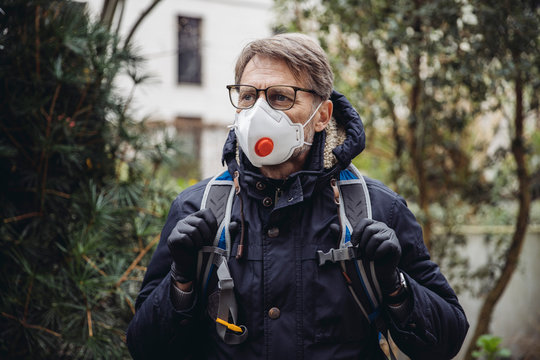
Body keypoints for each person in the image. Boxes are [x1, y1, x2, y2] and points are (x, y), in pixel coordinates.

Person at [126, 33, 469, 359]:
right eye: (248, 96)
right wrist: (181, 282)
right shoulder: (196, 209)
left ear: (322, 115)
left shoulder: (376, 209)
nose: (258, 112)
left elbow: (447, 340)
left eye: (280, 97)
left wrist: (396, 287)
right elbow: (145, 349)